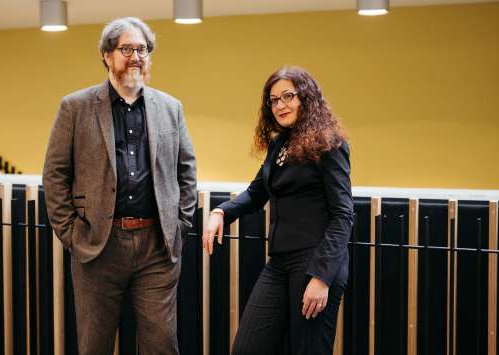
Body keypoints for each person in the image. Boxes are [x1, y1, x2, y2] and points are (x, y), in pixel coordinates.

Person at [43, 17, 197, 355]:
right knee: (94, 344)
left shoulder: (171, 108)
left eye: (142, 49)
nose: (136, 57)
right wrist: (70, 233)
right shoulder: (76, 106)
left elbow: (186, 171)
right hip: (97, 245)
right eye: (126, 49)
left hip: (158, 247)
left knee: (162, 344)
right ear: (106, 55)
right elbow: (55, 174)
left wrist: (181, 225)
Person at [203, 66, 353, 355]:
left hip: (316, 262)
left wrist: (321, 277)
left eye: (288, 96)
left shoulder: (329, 144)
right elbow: (256, 192)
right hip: (280, 263)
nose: (280, 105)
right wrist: (220, 212)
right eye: (273, 100)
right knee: (247, 348)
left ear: (306, 98)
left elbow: (343, 214)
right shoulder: (279, 144)